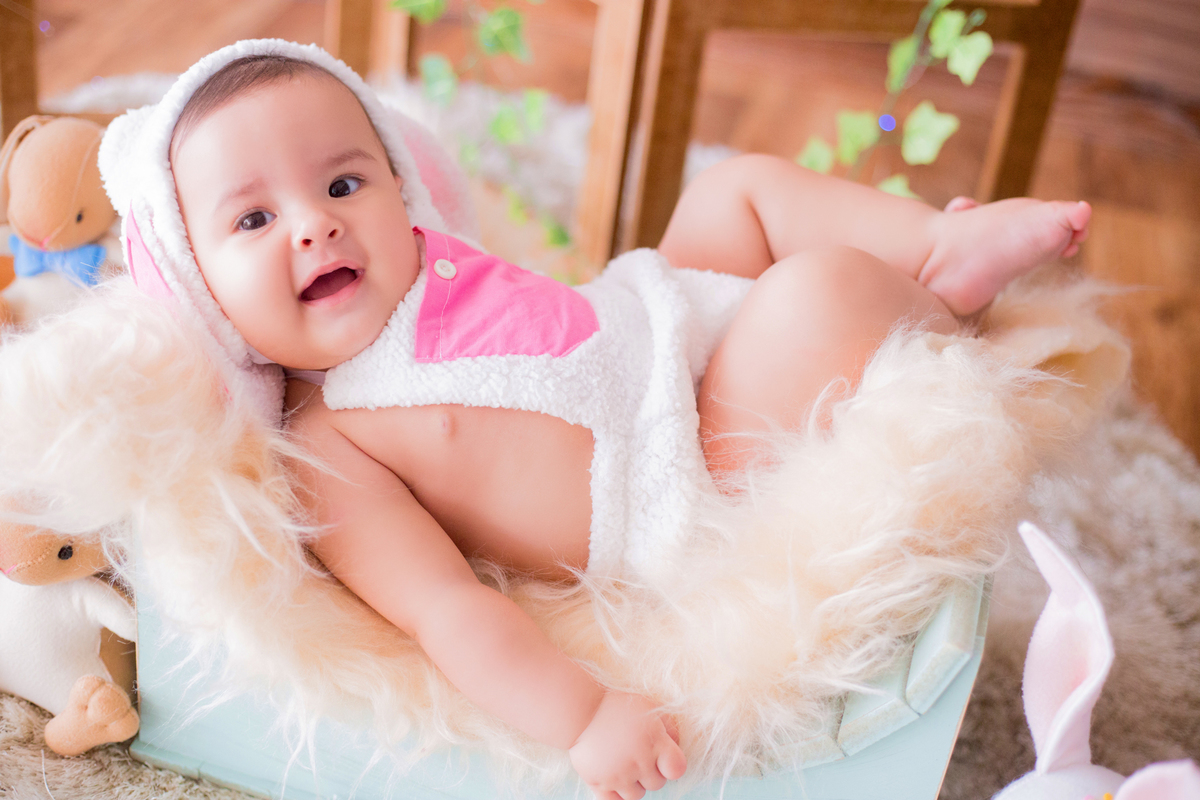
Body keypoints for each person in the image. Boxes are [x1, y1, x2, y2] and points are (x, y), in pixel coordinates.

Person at [114, 40, 1090, 800]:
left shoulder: (420, 256)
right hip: (684, 465)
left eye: (342, 182)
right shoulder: (330, 444)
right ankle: (921, 301)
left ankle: (938, 246)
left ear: (397, 183)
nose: (315, 223)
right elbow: (446, 610)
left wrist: (677, 305)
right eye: (252, 220)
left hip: (656, 316)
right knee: (814, 292)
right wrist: (582, 715)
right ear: (200, 289)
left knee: (733, 189)